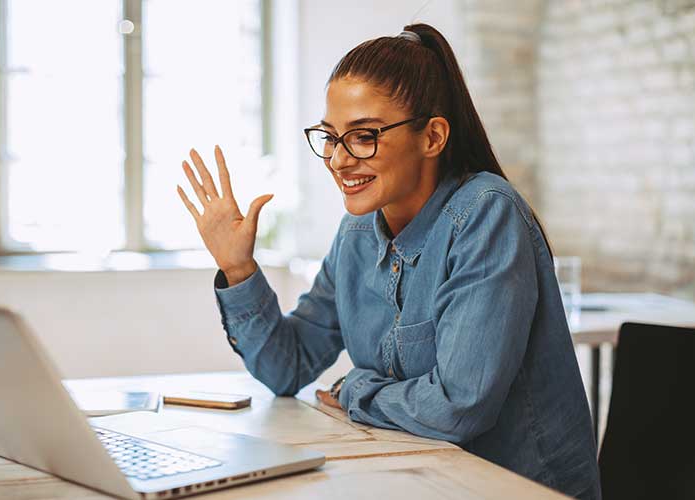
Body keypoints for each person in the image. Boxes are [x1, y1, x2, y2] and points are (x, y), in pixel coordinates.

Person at [175, 24, 599, 499]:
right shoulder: (357, 232)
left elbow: (459, 406)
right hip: (413, 479)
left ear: (433, 136)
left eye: (363, 136)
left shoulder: (485, 213)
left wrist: (357, 390)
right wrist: (238, 270)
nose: (338, 160)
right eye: (330, 137)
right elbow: (287, 368)